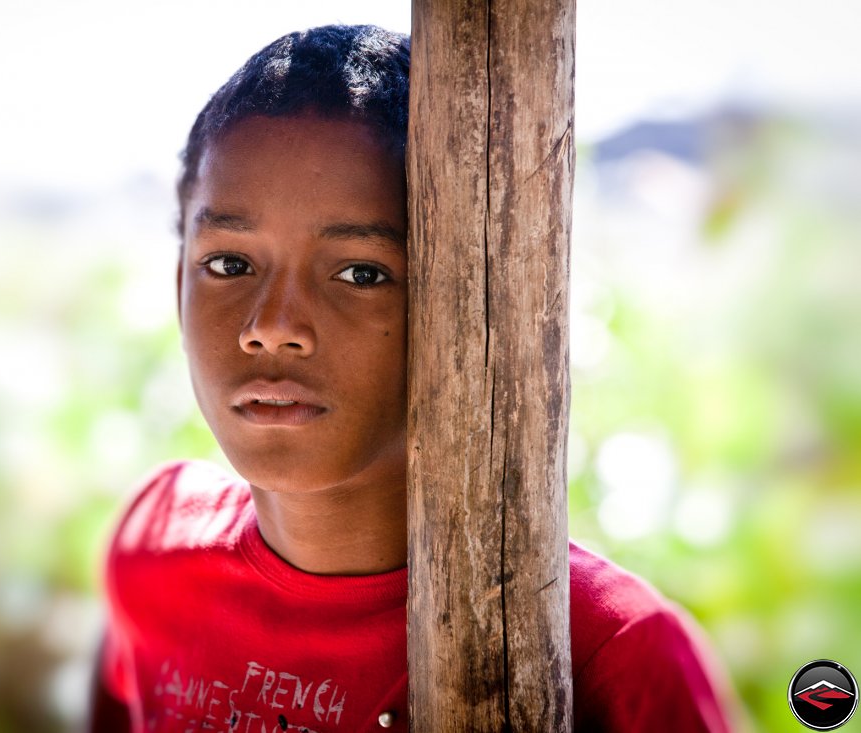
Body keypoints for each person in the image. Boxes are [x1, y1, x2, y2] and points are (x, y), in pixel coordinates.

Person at [88, 24, 738, 732]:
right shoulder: (153, 554)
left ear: (459, 300)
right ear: (178, 282)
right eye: (229, 264)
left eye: (360, 273)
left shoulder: (606, 649)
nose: (272, 324)